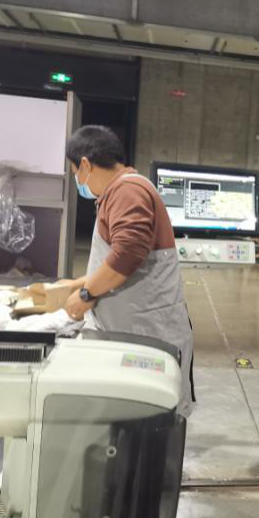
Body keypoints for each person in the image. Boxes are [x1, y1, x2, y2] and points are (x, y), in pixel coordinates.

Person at [60, 125, 194, 416]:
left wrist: (86, 294)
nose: (78, 181)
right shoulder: (119, 191)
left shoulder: (127, 191)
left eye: (75, 173)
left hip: (147, 335)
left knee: (150, 419)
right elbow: (120, 258)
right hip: (135, 331)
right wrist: (85, 280)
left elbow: (128, 254)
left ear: (86, 165)